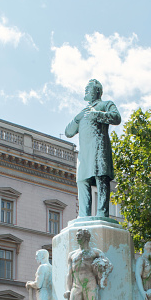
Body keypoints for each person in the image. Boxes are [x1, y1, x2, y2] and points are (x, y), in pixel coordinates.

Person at [65, 79, 121, 218]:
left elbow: (116, 118)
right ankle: (84, 215)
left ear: (97, 91)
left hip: (99, 150)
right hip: (84, 154)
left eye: (88, 88)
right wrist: (77, 118)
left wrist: (97, 114)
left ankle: (102, 214)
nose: (85, 90)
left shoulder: (105, 104)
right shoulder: (82, 113)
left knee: (101, 178)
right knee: (82, 181)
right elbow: (68, 132)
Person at [64, 228, 112, 300]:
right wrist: (68, 289)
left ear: (86, 237)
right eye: (77, 235)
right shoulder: (72, 255)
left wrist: (103, 275)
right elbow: (69, 273)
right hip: (76, 284)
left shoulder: (95, 252)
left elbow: (109, 265)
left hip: (90, 284)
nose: (77, 237)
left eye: (79, 235)